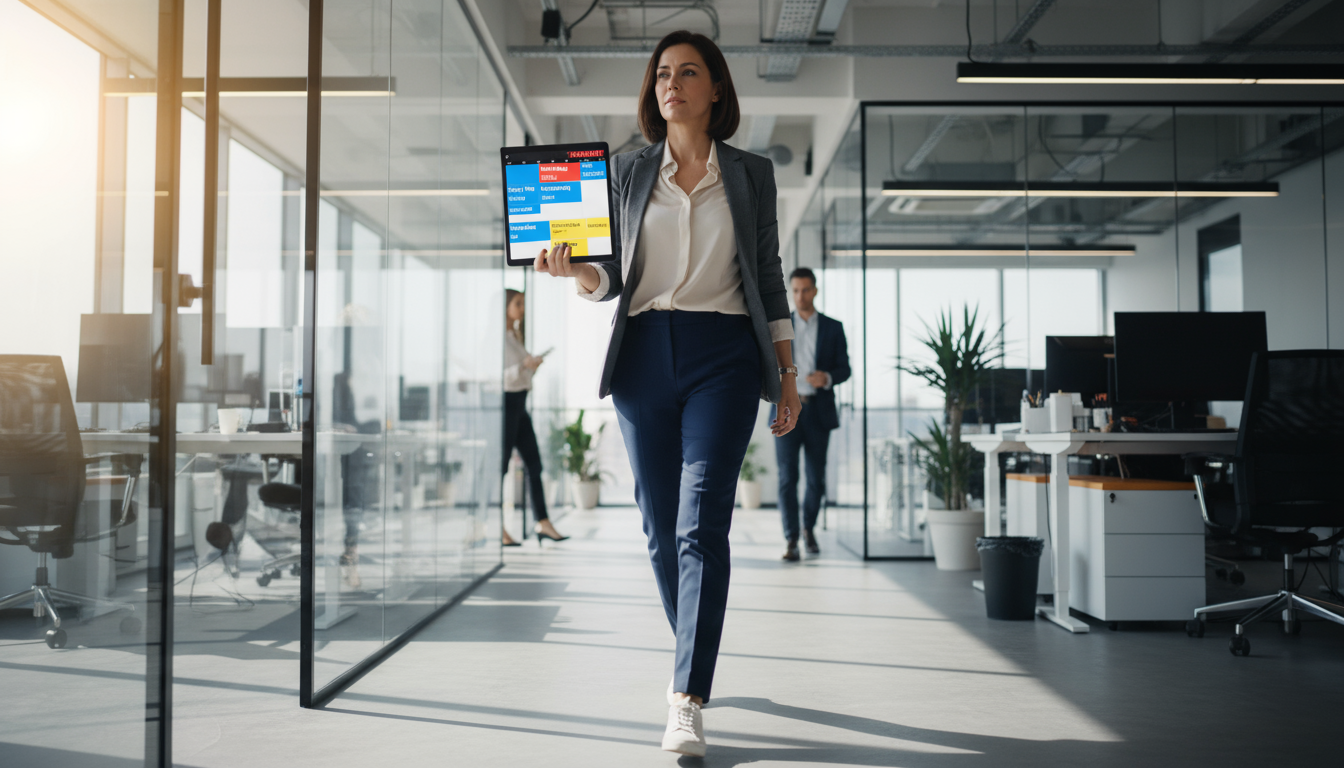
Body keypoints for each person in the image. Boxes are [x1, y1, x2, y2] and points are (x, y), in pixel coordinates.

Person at [533, 30, 799, 758]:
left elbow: (767, 274)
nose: (670, 85)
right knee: (658, 528)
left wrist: (785, 372)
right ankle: (695, 647)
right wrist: (575, 272)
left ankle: (686, 697)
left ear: (716, 89)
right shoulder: (626, 171)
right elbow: (610, 278)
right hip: (643, 354)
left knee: (700, 520)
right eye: (661, 76)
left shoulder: (750, 173)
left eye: (687, 73)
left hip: (724, 355)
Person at [774, 267, 850, 561]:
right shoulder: (781, 328)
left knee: (816, 478)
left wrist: (827, 377)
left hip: (818, 411)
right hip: (786, 409)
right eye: (795, 291)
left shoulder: (833, 327)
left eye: (805, 290)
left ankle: (808, 529)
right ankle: (791, 538)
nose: (800, 296)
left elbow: (845, 368)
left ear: (815, 291)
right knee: (787, 478)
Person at [501, 289, 568, 547]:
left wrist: (531, 367)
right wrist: (523, 366)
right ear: (505, 307)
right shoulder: (497, 340)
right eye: (517, 304)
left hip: (520, 405)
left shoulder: (515, 338)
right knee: (501, 468)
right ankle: (498, 528)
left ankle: (543, 522)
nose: (522, 309)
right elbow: (498, 378)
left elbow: (522, 379)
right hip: (506, 405)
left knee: (534, 464)